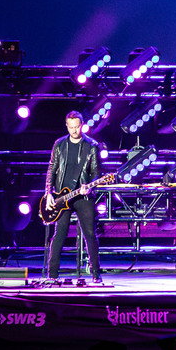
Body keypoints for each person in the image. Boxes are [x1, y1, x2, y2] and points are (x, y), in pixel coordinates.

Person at [43, 110, 104, 283]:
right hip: (62, 197)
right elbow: (52, 168)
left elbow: (96, 172)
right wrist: (48, 192)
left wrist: (89, 187)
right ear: (66, 126)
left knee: (90, 233)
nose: (74, 130)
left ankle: (96, 274)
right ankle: (52, 275)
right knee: (59, 233)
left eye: (77, 127)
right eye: (71, 127)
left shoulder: (91, 145)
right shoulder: (59, 144)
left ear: (82, 125)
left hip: (83, 196)